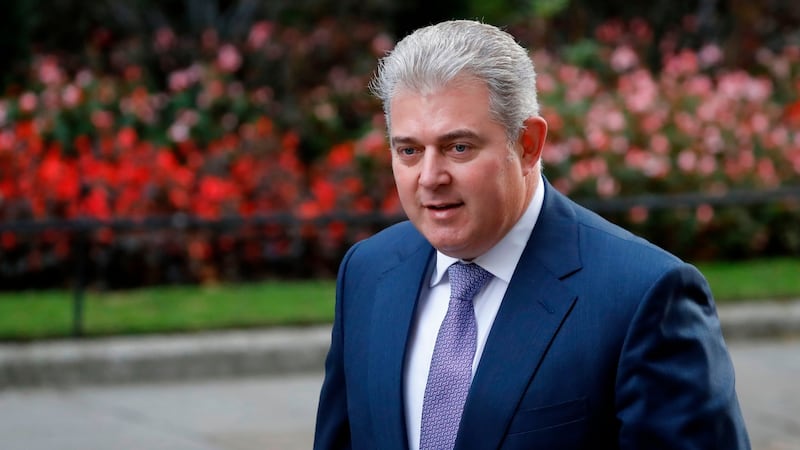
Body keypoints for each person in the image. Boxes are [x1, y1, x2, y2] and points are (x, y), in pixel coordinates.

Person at [314, 20, 750, 449]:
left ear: (528, 144)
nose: (429, 177)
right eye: (409, 150)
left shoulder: (643, 296)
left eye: (458, 147)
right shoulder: (367, 273)